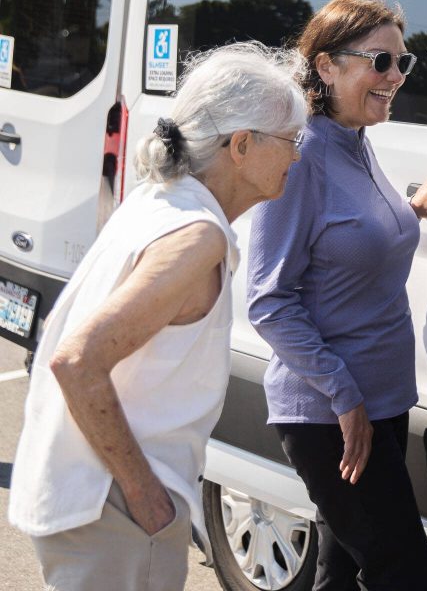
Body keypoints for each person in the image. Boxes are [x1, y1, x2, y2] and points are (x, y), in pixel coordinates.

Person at [8, 41, 308, 591]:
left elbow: (58, 334)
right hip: (113, 508)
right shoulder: (196, 237)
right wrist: (149, 500)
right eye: (292, 141)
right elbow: (76, 360)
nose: (297, 155)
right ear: (241, 144)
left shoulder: (160, 199)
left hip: (85, 499)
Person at [247, 0, 427, 590]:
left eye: (402, 63)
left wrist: (412, 211)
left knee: (339, 571)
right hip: (330, 413)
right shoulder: (300, 159)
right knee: (404, 571)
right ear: (326, 67)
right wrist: (345, 397)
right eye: (380, 62)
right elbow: (268, 300)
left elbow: (352, 237)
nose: (395, 77)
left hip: (381, 400)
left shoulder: (356, 141)